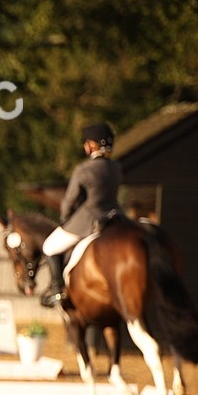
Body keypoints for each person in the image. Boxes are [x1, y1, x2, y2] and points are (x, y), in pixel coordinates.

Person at [39, 122, 123, 307]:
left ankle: (57, 290)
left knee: (49, 247)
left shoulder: (84, 169)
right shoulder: (116, 167)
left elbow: (69, 201)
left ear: (91, 145)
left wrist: (65, 218)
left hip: (89, 221)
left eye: (87, 143)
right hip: (115, 217)